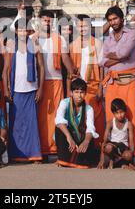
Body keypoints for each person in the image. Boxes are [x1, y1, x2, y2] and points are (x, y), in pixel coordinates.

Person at [100, 6, 135, 165]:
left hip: (130, 81)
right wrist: (117, 57)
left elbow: (124, 53)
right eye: (110, 20)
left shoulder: (131, 33)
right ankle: (110, 156)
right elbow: (102, 60)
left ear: (121, 18)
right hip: (112, 82)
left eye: (115, 19)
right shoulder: (108, 38)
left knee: (132, 118)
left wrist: (114, 56)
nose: (113, 22)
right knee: (111, 117)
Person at [3, 18, 45, 163]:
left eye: (24, 29)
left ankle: (35, 155)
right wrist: (6, 89)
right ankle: (16, 155)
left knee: (32, 123)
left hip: (31, 89)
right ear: (16, 31)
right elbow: (6, 69)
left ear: (28, 30)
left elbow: (41, 67)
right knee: (16, 124)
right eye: (19, 29)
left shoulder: (34, 43)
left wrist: (40, 89)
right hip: (16, 90)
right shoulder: (10, 44)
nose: (22, 32)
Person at [36, 10, 76, 159]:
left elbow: (65, 58)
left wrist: (73, 73)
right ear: (39, 21)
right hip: (39, 83)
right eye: (44, 20)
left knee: (57, 116)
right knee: (41, 118)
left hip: (57, 81)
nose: (47, 23)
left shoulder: (59, 39)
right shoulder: (33, 39)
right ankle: (42, 149)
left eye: (49, 21)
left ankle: (54, 148)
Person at [69, 14, 105, 146]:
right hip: (79, 88)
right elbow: (70, 71)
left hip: (94, 85)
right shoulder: (73, 45)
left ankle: (97, 148)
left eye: (85, 25)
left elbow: (102, 68)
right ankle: (82, 149)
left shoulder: (98, 43)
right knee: (80, 119)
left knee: (97, 118)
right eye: (80, 25)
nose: (82, 28)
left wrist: (101, 88)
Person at [55, 78, 99, 168]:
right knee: (59, 128)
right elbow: (59, 120)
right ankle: (64, 159)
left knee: (90, 139)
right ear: (71, 93)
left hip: (80, 137)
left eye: (82, 92)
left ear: (85, 93)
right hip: (67, 138)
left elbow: (91, 127)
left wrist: (86, 141)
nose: (79, 95)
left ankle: (72, 159)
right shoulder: (64, 103)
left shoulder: (89, 109)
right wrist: (69, 137)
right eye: (76, 92)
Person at [97, 98, 135, 170]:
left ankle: (120, 163)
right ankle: (112, 160)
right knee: (108, 147)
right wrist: (101, 160)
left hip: (123, 147)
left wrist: (131, 158)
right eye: (117, 113)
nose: (120, 115)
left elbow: (132, 143)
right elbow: (104, 141)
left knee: (128, 155)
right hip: (113, 146)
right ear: (113, 113)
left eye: (121, 112)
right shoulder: (110, 123)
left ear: (125, 111)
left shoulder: (129, 124)